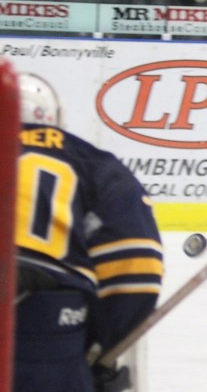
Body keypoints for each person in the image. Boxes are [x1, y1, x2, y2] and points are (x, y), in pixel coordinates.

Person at [13, 70, 163, 391]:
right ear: (54, 117)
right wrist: (99, 350)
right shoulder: (92, 164)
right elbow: (137, 273)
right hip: (44, 334)